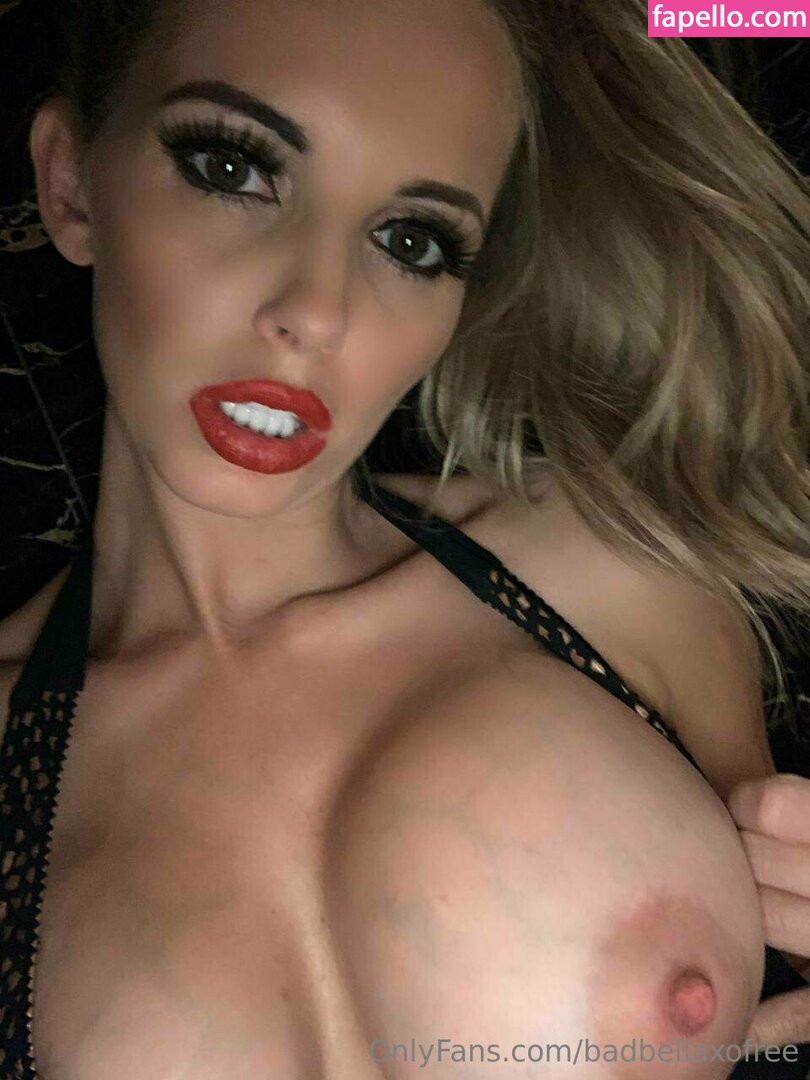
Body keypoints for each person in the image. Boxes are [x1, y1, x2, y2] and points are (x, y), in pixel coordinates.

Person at [0, 0, 808, 1076]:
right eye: (234, 170)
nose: (316, 311)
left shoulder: (620, 578)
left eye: (411, 241)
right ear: (69, 184)